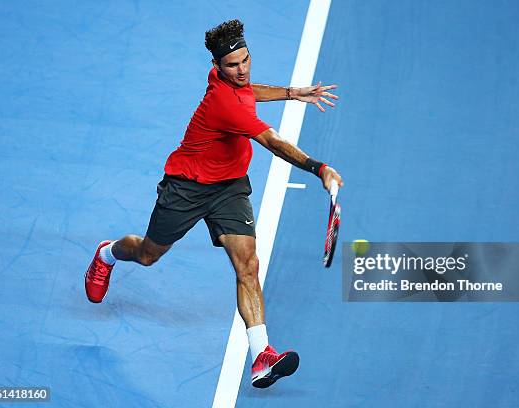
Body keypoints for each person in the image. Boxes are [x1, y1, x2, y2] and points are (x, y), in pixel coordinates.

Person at [84, 19, 343, 388]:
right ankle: (107, 254)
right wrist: (320, 168)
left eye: (246, 60)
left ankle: (262, 356)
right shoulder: (224, 103)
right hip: (186, 189)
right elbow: (272, 141)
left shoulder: (231, 83)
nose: (242, 70)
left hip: (229, 188)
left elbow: (249, 90)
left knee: (248, 264)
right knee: (147, 254)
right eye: (233, 66)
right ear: (217, 68)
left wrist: (290, 92)